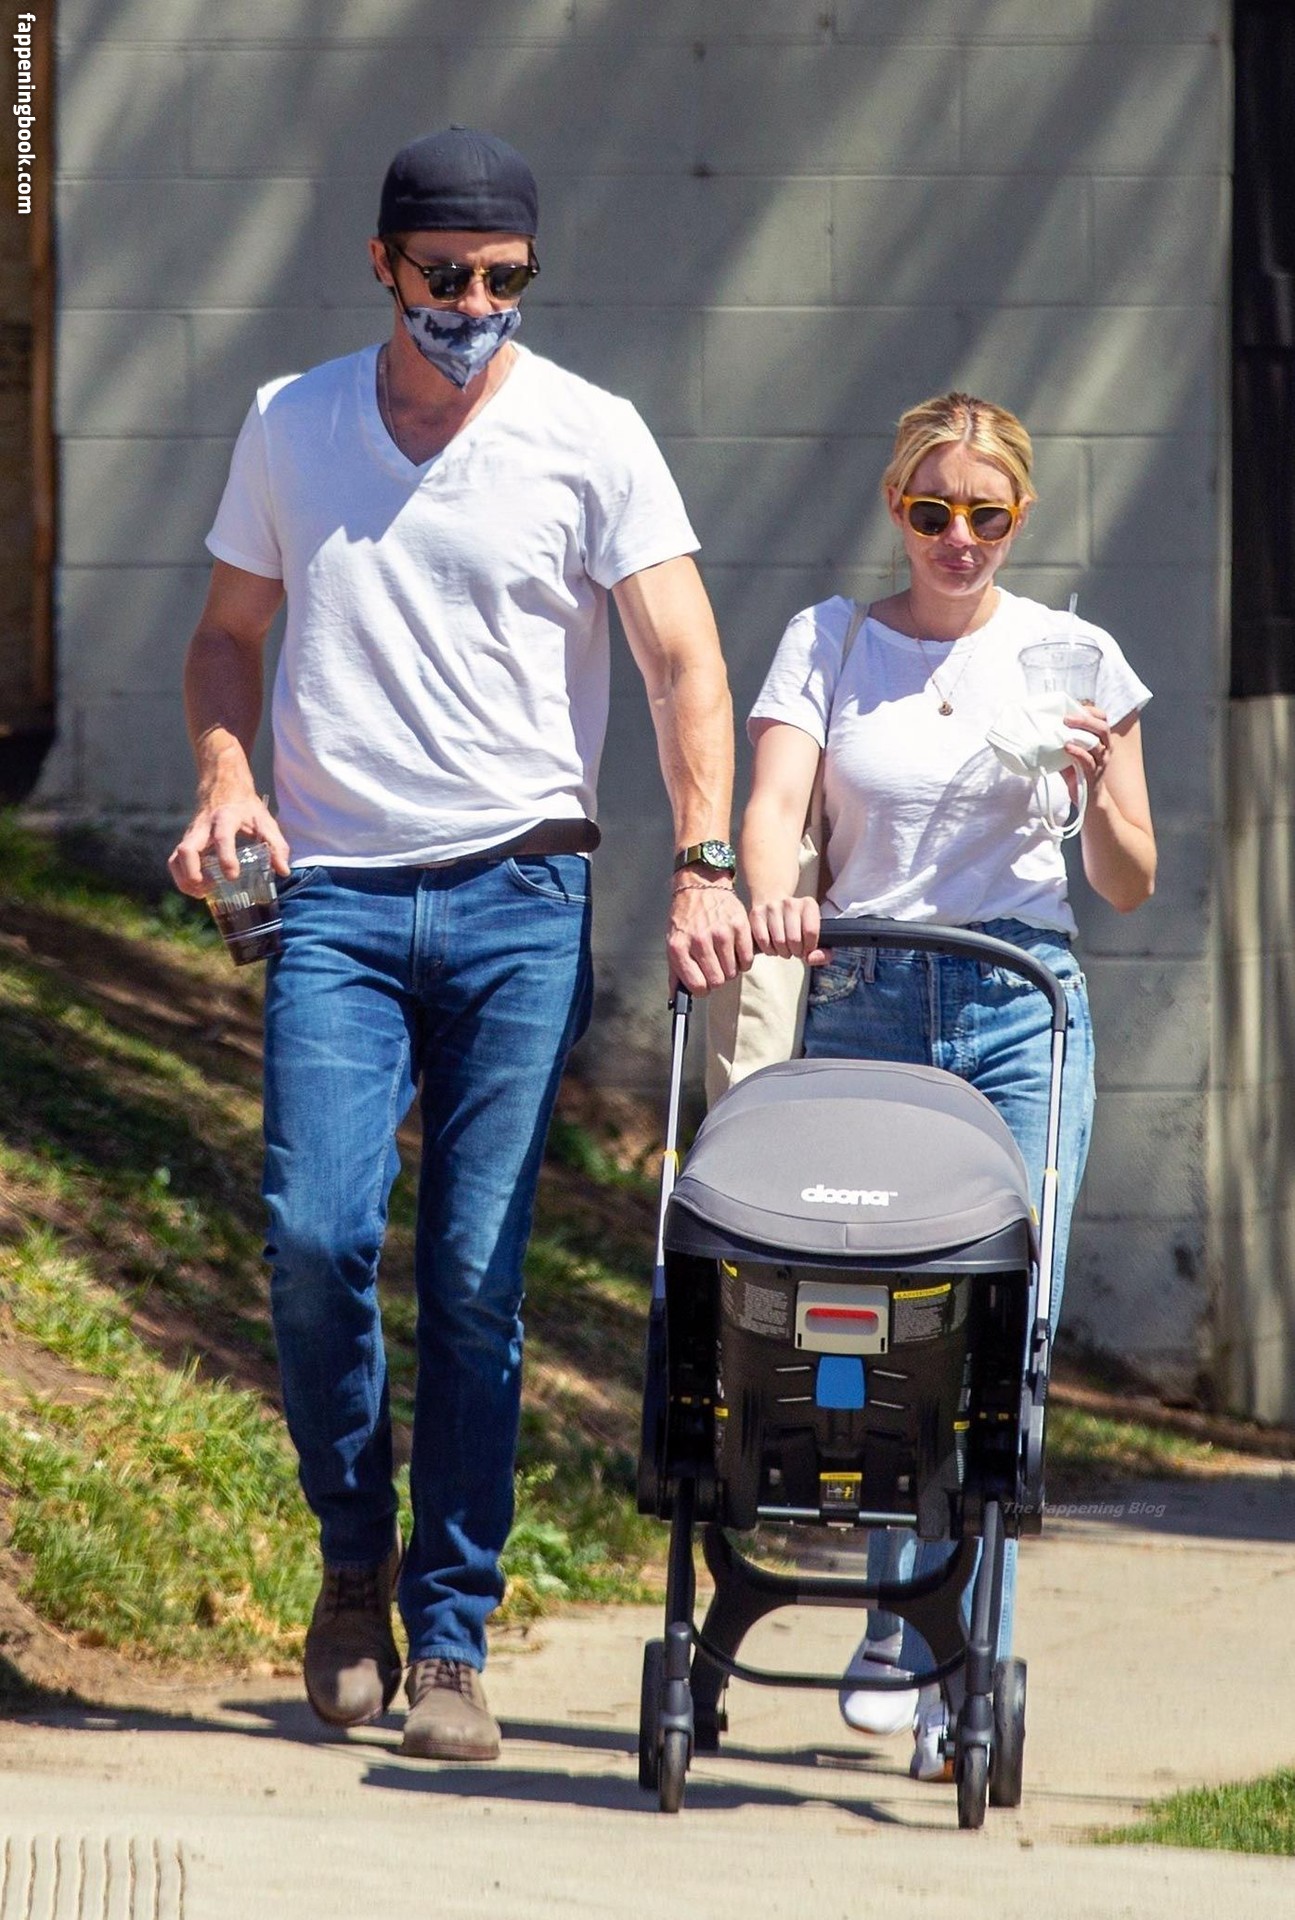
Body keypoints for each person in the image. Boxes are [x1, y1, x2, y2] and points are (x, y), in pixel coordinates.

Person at [168, 126, 750, 1763]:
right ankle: (352, 1561)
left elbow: (685, 664)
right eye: (447, 275)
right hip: (339, 900)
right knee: (313, 1238)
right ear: (383, 264)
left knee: (480, 1283)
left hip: (520, 900)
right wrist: (225, 776)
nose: (476, 304)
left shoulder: (592, 434)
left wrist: (705, 861)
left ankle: (450, 1641)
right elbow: (224, 637)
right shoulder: (292, 424)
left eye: (506, 277)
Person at [738, 391, 1155, 1780]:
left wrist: (1097, 788)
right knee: (872, 1332)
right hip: (866, 1001)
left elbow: (1130, 879)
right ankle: (894, 1616)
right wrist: (774, 898)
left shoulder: (1074, 656)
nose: (958, 538)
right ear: (896, 509)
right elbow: (773, 808)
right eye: (932, 511)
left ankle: (956, 1667)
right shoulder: (829, 642)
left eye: (985, 515)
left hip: (1018, 1008)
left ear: (1020, 517)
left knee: (1001, 1348)